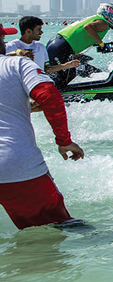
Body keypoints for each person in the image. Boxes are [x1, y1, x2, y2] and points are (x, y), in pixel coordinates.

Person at [0, 23, 85, 229]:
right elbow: (49, 96)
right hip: (14, 165)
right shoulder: (17, 64)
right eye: (2, 39)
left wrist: (20, 106)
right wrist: (64, 140)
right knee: (57, 228)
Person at [46, 3, 113, 89]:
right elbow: (88, 27)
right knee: (65, 77)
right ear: (111, 15)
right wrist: (101, 43)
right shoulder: (103, 23)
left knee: (65, 73)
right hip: (61, 46)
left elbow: (84, 34)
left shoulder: (96, 18)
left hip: (57, 43)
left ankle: (53, 91)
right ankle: (54, 93)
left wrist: (99, 43)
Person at [5, 16, 80, 74]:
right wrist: (18, 52)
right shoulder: (10, 46)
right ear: (28, 31)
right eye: (39, 29)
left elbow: (45, 69)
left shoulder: (40, 46)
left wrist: (65, 66)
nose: (41, 32)